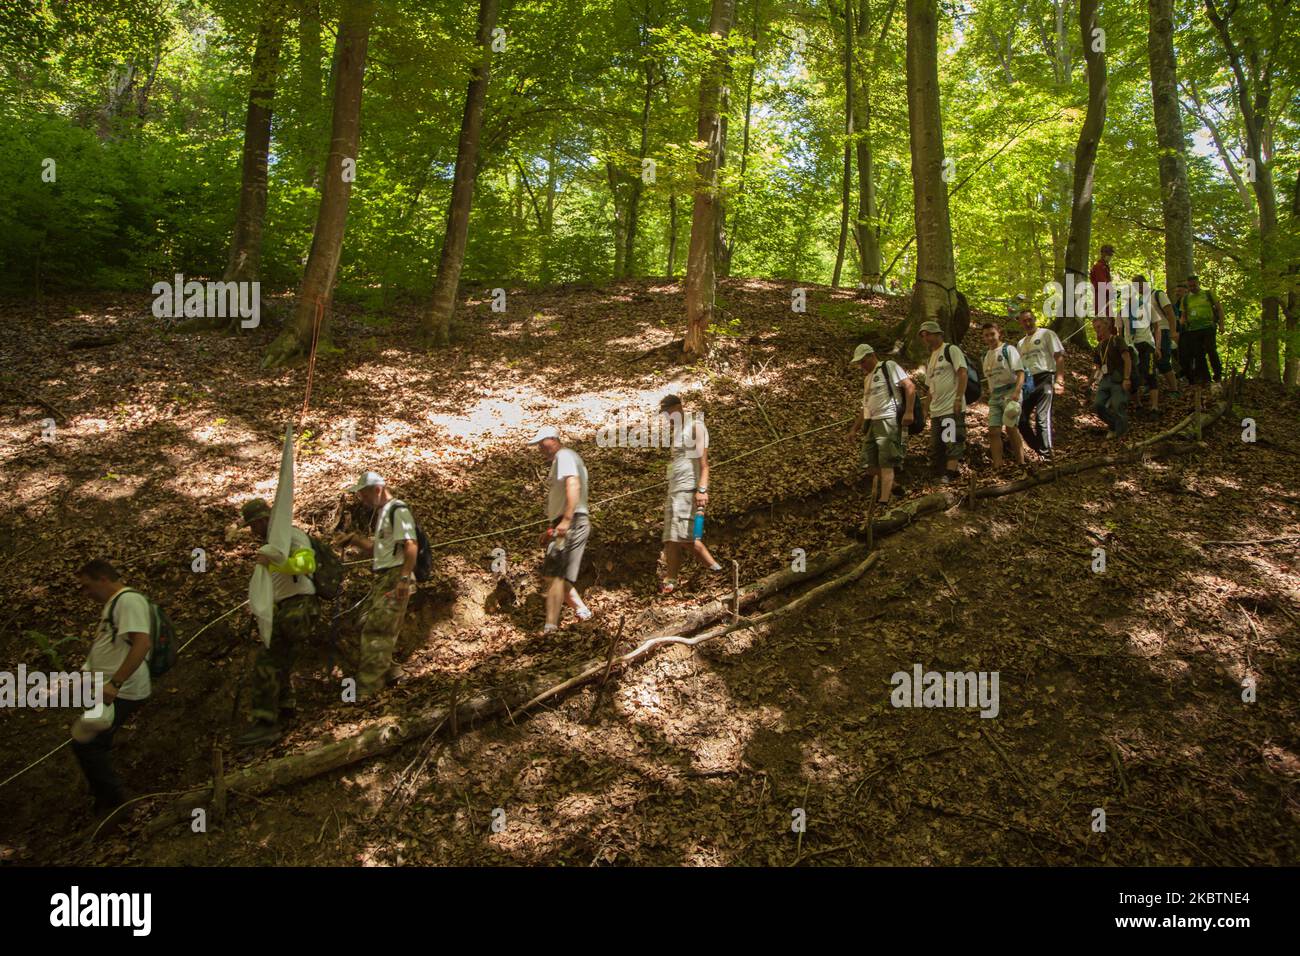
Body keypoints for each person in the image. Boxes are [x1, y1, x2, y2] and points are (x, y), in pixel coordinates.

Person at [236, 498, 320, 746]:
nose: (252, 532)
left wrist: (274, 560)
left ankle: (265, 723)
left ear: (263, 520)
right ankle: (285, 709)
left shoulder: (291, 536)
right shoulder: (273, 544)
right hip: (286, 608)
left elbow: (307, 564)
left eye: (253, 526)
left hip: (300, 606)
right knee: (278, 659)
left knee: (267, 661)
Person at [72, 559, 152, 815]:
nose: (86, 593)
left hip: (123, 690)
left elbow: (142, 644)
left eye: (88, 586)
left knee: (88, 744)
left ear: (103, 579)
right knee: (91, 742)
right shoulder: (115, 605)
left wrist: (115, 683)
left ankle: (118, 806)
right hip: (109, 689)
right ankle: (107, 799)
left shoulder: (129, 601)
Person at [339, 471, 416, 699]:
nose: (361, 498)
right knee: (365, 621)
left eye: (363, 493)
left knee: (376, 631)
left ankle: (367, 691)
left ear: (377, 489)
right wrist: (354, 539)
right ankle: (393, 673)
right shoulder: (383, 514)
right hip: (384, 577)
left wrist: (403, 579)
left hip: (396, 576)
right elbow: (377, 549)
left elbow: (411, 545)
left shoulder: (398, 510)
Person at [529, 426, 593, 632]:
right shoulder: (563, 459)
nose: (541, 448)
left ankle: (550, 626)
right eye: (538, 445)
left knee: (555, 574)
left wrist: (566, 520)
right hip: (565, 521)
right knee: (552, 574)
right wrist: (553, 527)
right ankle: (582, 611)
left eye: (543, 443)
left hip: (572, 520)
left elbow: (573, 485)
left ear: (554, 439)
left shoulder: (564, 455)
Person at [658, 395, 723, 595]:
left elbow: (704, 463)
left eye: (668, 412)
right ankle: (672, 580)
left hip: (688, 489)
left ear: (678, 407)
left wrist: (702, 489)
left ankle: (717, 570)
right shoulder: (677, 433)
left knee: (686, 537)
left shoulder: (695, 426)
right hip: (674, 491)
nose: (667, 417)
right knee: (671, 538)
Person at [848, 343, 915, 505]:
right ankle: (894, 487)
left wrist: (909, 411)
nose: (861, 365)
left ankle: (884, 500)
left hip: (889, 419)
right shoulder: (867, 379)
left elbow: (909, 386)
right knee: (868, 463)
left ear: (871, 356)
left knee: (886, 462)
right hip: (873, 422)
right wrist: (854, 429)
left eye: (863, 361)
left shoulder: (888, 366)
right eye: (859, 363)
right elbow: (866, 407)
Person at [920, 320, 968, 484]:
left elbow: (962, 373)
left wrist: (958, 398)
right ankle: (938, 472)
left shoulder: (950, 350)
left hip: (950, 406)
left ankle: (950, 473)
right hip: (936, 409)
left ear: (937, 334)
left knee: (952, 440)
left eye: (928, 334)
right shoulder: (930, 358)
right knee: (936, 443)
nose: (925, 338)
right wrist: (926, 409)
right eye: (923, 335)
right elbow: (930, 387)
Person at [1015, 309, 1065, 460]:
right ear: (1020, 323)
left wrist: (1059, 380)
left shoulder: (1047, 334)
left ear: (1035, 319)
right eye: (1024, 321)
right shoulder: (1020, 343)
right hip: (1029, 382)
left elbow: (1059, 356)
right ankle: (1040, 449)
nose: (1028, 323)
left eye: (1030, 319)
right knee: (1020, 419)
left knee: (1041, 417)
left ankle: (1047, 454)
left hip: (1045, 378)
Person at [981, 323, 1026, 469]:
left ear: (999, 333)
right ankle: (998, 466)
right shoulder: (985, 355)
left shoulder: (1009, 350)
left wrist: (1017, 392)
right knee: (993, 430)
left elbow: (1020, 372)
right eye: (986, 335)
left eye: (992, 334)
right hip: (995, 395)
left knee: (1011, 427)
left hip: (1010, 391)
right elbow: (990, 378)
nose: (990, 338)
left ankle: (1021, 462)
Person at [1179, 274, 1224, 403]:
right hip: (1193, 329)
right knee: (1198, 354)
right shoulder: (1186, 299)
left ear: (1198, 283)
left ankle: (1218, 375)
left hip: (1208, 327)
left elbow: (1219, 309)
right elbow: (1184, 315)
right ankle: (1205, 378)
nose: (1192, 287)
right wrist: (1180, 324)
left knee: (1211, 349)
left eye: (1194, 285)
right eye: (1190, 286)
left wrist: (1221, 324)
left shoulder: (1208, 294)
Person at [1122, 275, 1159, 413]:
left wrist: (1158, 346)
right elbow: (1121, 331)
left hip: (1147, 344)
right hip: (1130, 346)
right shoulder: (1122, 312)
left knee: (1150, 373)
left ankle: (1154, 406)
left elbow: (1157, 326)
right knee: (1133, 376)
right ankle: (1138, 404)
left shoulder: (1147, 307)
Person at [1091, 316, 1133, 438]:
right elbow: (1096, 368)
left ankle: (1121, 435)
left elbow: (1127, 359)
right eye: (1094, 328)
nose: (1096, 330)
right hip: (1105, 379)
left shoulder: (1117, 340)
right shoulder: (1098, 347)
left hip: (1118, 379)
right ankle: (1115, 425)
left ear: (1107, 325)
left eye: (1098, 327)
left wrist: (1126, 378)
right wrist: (1089, 383)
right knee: (1098, 405)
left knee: (1118, 405)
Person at [1152, 281, 1179, 400]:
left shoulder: (1158, 294)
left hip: (1164, 330)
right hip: (1151, 333)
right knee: (1152, 361)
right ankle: (1153, 386)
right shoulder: (1143, 300)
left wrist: (1173, 331)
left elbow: (1170, 313)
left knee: (1163, 360)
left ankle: (1174, 389)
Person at [1090, 244, 1117, 329]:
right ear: (1102, 253)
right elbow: (1102, 285)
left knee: (1110, 323)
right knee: (1104, 324)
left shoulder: (1105, 266)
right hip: (1101, 300)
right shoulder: (1099, 266)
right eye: (1108, 254)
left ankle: (1110, 341)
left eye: (1111, 254)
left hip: (1106, 300)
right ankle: (1104, 342)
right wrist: (1111, 292)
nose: (1110, 256)